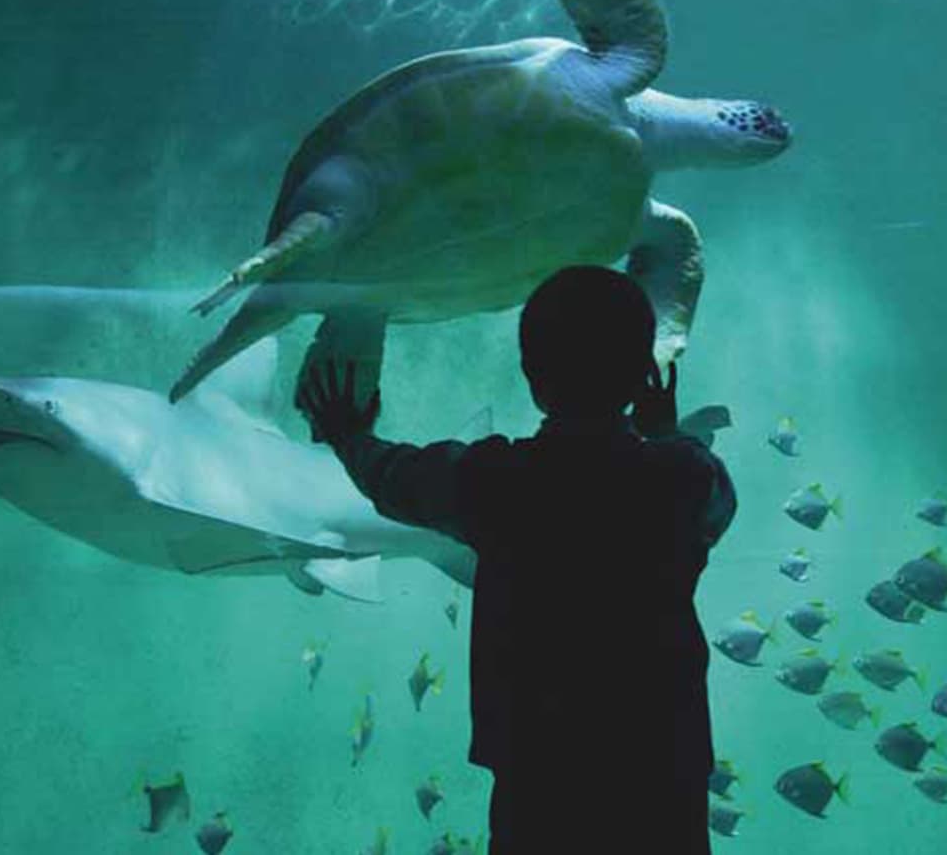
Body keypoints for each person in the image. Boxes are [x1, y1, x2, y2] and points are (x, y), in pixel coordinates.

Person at [296, 265, 736, 854]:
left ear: (533, 378)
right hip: (659, 765)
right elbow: (717, 504)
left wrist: (348, 434)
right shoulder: (682, 478)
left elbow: (394, 479)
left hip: (540, 769)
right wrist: (660, 432)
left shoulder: (499, 482)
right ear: (641, 375)